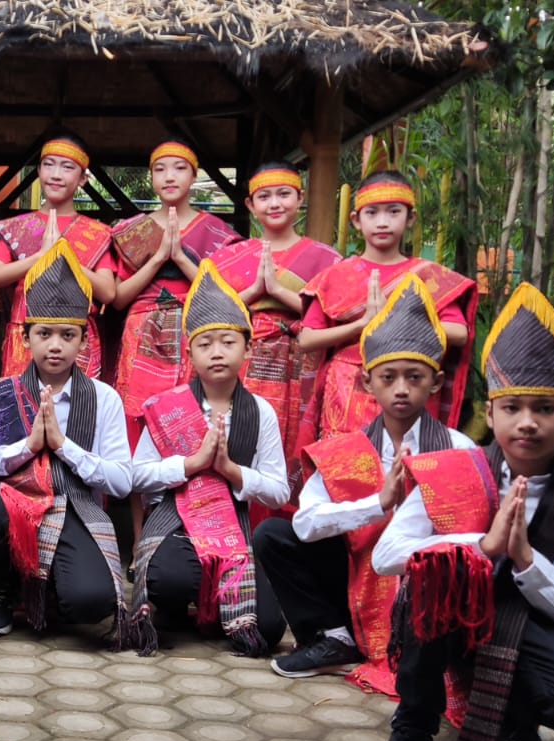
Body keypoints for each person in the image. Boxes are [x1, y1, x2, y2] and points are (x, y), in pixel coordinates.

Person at [368, 283, 554, 741]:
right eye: (512, 407)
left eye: (545, 408)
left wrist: (526, 560)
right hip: (449, 620)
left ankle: (513, 714)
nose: (527, 423)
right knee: (430, 581)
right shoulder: (454, 470)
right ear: (492, 411)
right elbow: (387, 556)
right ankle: (413, 731)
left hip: (524, 626)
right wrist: (480, 547)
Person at [254, 276, 476, 690]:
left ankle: (426, 650)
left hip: (421, 594)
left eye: (415, 377)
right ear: (368, 382)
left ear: (436, 382)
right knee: (273, 535)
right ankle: (335, 637)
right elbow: (305, 524)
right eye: (388, 377)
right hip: (353, 582)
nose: (401, 389)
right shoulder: (345, 450)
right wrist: (379, 503)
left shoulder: (459, 450)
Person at [0, 241, 133, 637]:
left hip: (75, 510)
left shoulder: (104, 398)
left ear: (84, 342)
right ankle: (2, 587)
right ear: (26, 338)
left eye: (68, 335)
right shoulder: (2, 394)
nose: (55, 345)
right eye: (44, 334)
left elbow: (122, 481)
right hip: (13, 509)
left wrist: (64, 447)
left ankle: (43, 586)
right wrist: (28, 447)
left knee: (90, 603)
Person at [123, 261, 290, 656]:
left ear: (248, 348)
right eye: (205, 344)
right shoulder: (167, 406)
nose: (217, 353)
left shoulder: (261, 412)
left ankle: (213, 605)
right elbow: (136, 476)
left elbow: (279, 491)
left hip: (232, 530)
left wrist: (231, 471)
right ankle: (184, 602)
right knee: (168, 581)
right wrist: (192, 465)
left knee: (267, 629)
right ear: (189, 353)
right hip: (176, 521)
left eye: (228, 342)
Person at [297, 171, 478, 447]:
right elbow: (307, 339)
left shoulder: (430, 277)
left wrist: (395, 319)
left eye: (393, 211)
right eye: (372, 213)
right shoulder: (334, 277)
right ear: (356, 220)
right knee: (348, 460)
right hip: (347, 386)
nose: (382, 222)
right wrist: (362, 325)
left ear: (410, 218)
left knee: (408, 457)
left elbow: (459, 332)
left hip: (408, 383)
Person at [210, 163, 342, 492]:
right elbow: (212, 313)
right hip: (245, 359)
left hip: (303, 362)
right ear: (250, 205)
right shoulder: (229, 257)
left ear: (300, 198)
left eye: (284, 194)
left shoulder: (326, 259)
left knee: (298, 439)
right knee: (242, 433)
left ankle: (288, 518)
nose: (275, 203)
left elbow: (334, 317)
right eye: (264, 196)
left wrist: (279, 292)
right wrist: (256, 291)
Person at [110, 140, 242, 445]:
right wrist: (158, 258)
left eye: (180, 168)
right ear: (151, 177)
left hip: (194, 330)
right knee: (137, 417)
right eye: (160, 169)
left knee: (192, 412)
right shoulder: (134, 230)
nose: (169, 176)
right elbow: (118, 298)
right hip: (142, 330)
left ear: (194, 176)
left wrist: (180, 258)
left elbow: (227, 297)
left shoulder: (216, 231)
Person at [0, 135, 117, 379]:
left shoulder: (97, 233)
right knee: (26, 402)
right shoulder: (18, 228)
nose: (56, 174)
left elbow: (108, 292)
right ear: (39, 171)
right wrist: (40, 257)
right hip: (27, 336)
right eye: (49, 164)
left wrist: (66, 258)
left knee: (77, 402)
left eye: (67, 167)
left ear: (83, 179)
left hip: (74, 339)